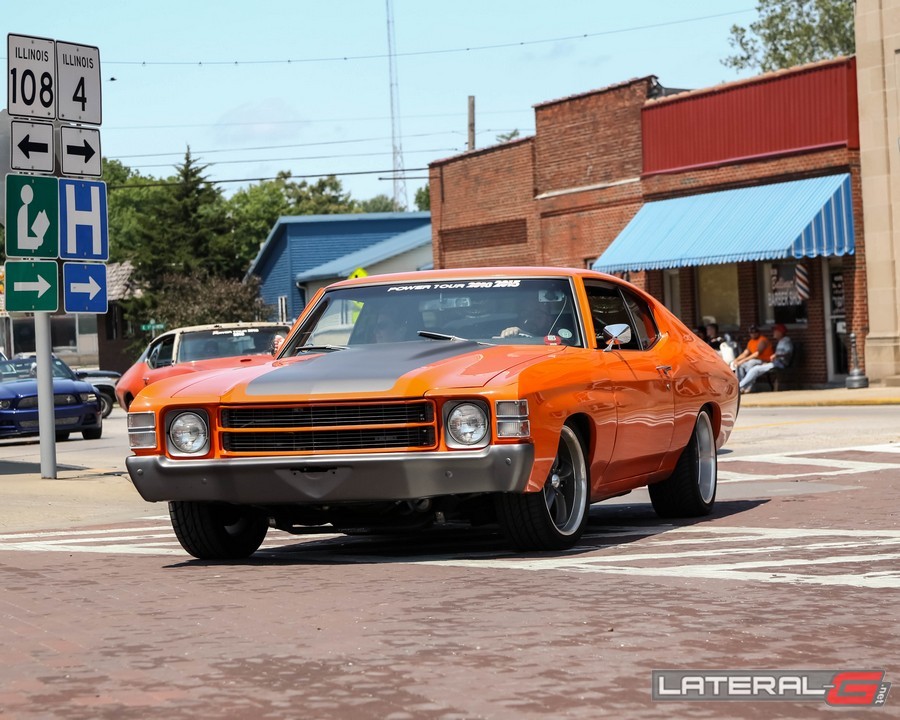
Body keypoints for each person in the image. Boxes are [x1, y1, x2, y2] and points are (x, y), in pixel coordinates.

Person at [739, 324, 793, 394]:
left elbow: (788, 353)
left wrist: (776, 355)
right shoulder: (781, 341)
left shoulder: (786, 341)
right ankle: (743, 387)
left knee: (754, 369)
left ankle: (739, 387)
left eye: (775, 331)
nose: (774, 333)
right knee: (754, 370)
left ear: (780, 332)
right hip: (775, 363)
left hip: (780, 364)